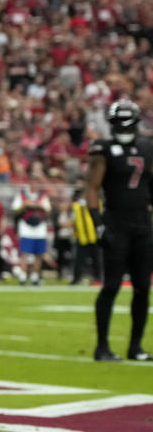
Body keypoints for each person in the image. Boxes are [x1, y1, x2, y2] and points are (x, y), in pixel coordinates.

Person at [85, 99, 153, 362]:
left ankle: (135, 346)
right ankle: (102, 346)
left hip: (142, 223)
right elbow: (91, 186)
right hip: (115, 221)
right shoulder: (102, 149)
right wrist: (97, 223)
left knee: (143, 288)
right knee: (111, 285)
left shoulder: (147, 148)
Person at [11, 187, 51, 286]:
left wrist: (39, 205)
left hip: (40, 228)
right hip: (26, 228)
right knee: (24, 253)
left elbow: (48, 210)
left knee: (39, 254)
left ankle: (35, 276)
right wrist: (25, 204)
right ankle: (23, 276)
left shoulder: (43, 196)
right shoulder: (22, 195)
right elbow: (15, 208)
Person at [70, 189, 101, 284]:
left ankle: (98, 278)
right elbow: (73, 221)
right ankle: (76, 278)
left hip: (93, 236)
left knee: (97, 259)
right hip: (82, 237)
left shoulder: (96, 204)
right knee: (79, 260)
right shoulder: (75, 206)